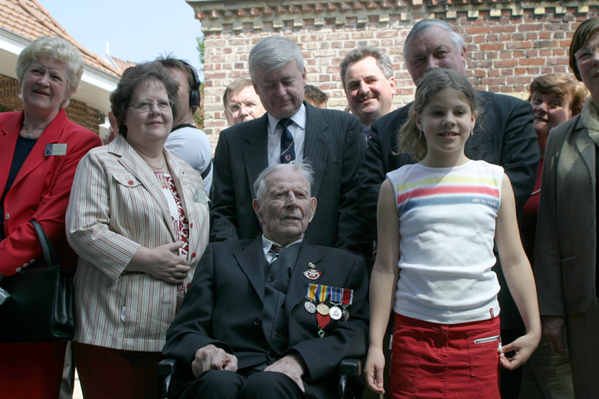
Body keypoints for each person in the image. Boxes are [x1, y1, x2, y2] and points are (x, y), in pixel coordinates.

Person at [357, 19, 540, 397]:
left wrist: (533, 327)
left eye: (459, 112)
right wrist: (377, 343)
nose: (448, 121)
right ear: (419, 119)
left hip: (478, 336)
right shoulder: (396, 185)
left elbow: (514, 258)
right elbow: (386, 267)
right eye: (437, 112)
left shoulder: (495, 180)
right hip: (413, 337)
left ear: (474, 118)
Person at [163, 161, 369, 399]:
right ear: (258, 208)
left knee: (267, 387)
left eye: (300, 195)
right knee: (218, 385)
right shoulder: (219, 257)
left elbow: (355, 333)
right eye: (280, 195)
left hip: (302, 383)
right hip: (227, 373)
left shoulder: (345, 265)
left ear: (312, 209)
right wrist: (204, 350)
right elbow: (184, 329)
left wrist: (299, 360)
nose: (292, 203)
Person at [65, 61, 210, 399]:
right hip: (115, 330)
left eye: (163, 104)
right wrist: (145, 258)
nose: (155, 111)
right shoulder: (99, 161)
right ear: (123, 114)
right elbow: (83, 229)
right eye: (144, 104)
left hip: (179, 330)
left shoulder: (190, 174)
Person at [0, 36, 102, 399]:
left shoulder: (82, 143)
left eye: (55, 76)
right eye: (36, 71)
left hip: (32, 293)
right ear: (21, 76)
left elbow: (53, 222)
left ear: (70, 90)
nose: (43, 81)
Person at [211, 36, 370, 260]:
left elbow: (354, 208)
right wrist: (234, 268)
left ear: (303, 76)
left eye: (287, 81)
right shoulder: (233, 141)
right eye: (269, 85)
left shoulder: (343, 129)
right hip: (252, 275)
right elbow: (224, 213)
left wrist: (342, 268)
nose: (281, 92)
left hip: (326, 272)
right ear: (256, 86)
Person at [534, 17, 599, 399]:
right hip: (586, 302)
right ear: (577, 67)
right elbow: (549, 230)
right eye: (586, 53)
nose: (595, 60)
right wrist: (552, 311)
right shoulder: (562, 137)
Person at [518, 74, 587, 399]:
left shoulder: (574, 167)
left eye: (554, 103)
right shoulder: (519, 161)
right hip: (515, 309)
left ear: (574, 114)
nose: (542, 108)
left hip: (555, 308)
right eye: (537, 100)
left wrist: (551, 310)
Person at [157, 56, 213, 195]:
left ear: (193, 96)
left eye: (172, 86)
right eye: (158, 86)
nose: (164, 93)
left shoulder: (187, 139)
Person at [340, 46, 396, 138]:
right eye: (354, 85)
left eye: (371, 80)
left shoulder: (416, 132)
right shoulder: (337, 141)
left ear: (392, 85)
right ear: (346, 94)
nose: (364, 90)